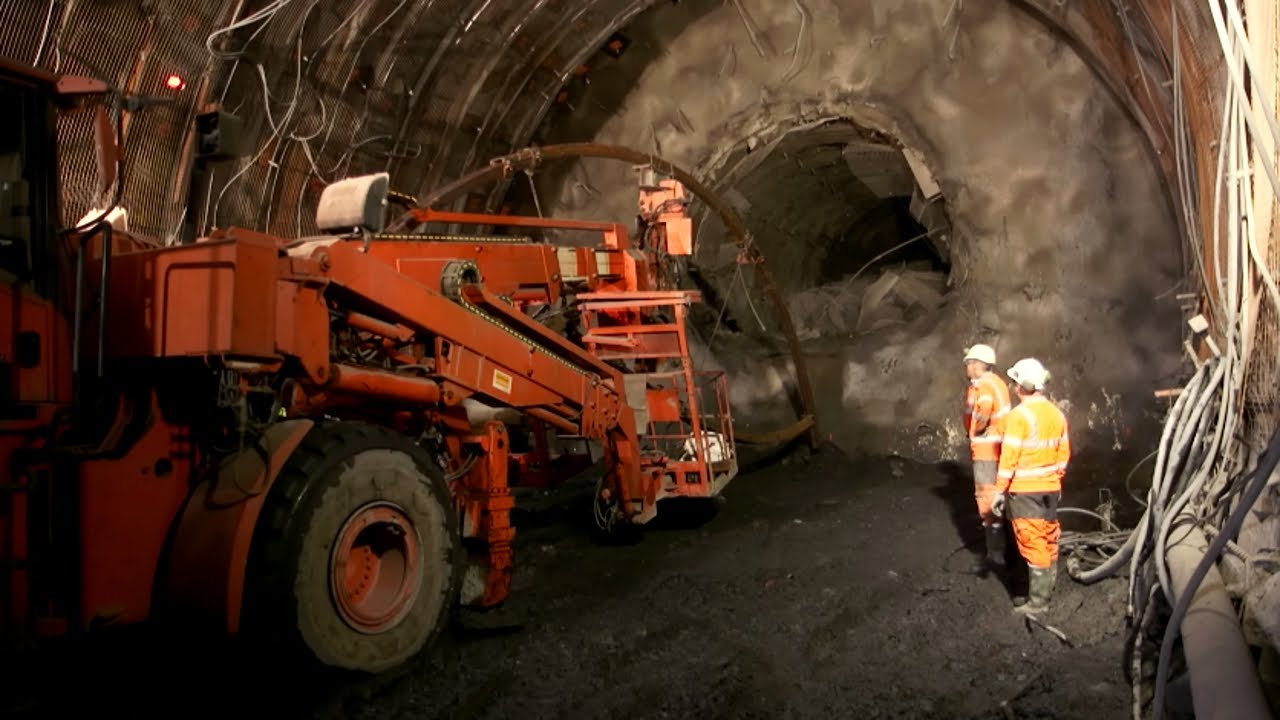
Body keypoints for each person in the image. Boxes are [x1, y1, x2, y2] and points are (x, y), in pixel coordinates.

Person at [991, 358, 1070, 614]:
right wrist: (1054, 479)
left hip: (1026, 492)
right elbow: (1063, 453)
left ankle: (1038, 602)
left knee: (1032, 542)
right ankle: (1049, 590)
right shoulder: (1057, 414)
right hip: (1051, 488)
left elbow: (1009, 458)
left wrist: (999, 490)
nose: (1013, 387)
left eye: (1015, 382)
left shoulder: (1019, 416)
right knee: (1048, 538)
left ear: (1023, 385)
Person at [962, 344, 1012, 576]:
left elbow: (981, 415)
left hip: (987, 451)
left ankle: (996, 554)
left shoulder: (985, 386)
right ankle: (1004, 547)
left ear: (980, 364)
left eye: (971, 362)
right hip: (996, 449)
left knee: (986, 499)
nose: (968, 367)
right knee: (997, 497)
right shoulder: (994, 383)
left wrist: (976, 432)